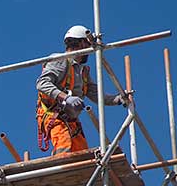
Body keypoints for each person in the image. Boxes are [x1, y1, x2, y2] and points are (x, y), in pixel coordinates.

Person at [36, 25, 129, 155]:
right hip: (54, 117)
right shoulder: (61, 61)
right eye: (88, 44)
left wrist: (118, 99)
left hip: (71, 122)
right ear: (80, 43)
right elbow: (42, 83)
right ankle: (61, 173)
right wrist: (66, 97)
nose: (90, 50)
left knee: (81, 155)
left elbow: (96, 95)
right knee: (64, 148)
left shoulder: (82, 72)